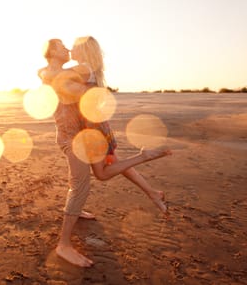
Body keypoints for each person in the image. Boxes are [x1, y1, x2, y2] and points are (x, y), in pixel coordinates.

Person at [38, 37, 171, 268]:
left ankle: (67, 236)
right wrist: (45, 73)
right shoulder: (72, 70)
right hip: (75, 135)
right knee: (84, 181)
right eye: (62, 46)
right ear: (51, 51)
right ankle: (64, 244)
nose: (68, 47)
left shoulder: (80, 69)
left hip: (88, 133)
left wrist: (45, 74)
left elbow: (64, 84)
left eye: (72, 45)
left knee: (91, 177)